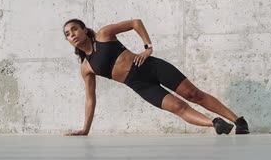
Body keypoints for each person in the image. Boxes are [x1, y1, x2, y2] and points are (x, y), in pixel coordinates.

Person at [62, 18, 250, 136]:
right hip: (140, 85)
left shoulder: (104, 34)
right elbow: (90, 100)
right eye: (68, 34)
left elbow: (135, 22)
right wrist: (85, 129)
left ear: (84, 30)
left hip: (150, 67)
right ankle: (215, 123)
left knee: (194, 94)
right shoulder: (86, 67)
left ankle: (238, 120)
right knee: (178, 107)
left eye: (75, 29)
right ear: (68, 41)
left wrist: (147, 47)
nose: (73, 35)